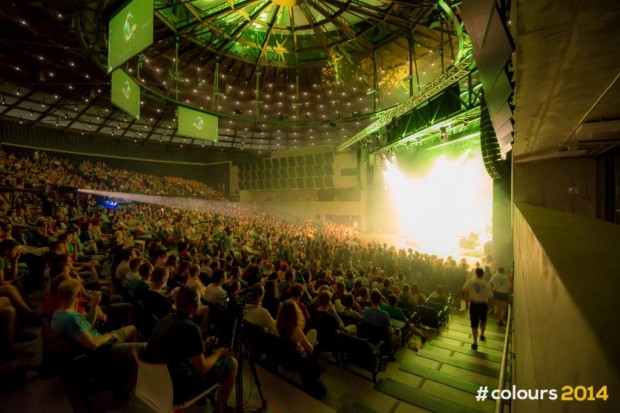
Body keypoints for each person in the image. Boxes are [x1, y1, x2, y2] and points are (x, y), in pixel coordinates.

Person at [145, 286, 237, 412]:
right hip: (177, 389)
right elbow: (201, 369)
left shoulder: (165, 319)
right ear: (195, 304)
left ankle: (202, 399)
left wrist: (203, 345)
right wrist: (219, 353)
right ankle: (220, 408)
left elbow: (178, 350)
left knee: (208, 355)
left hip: (156, 383)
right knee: (232, 363)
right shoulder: (192, 328)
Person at [462, 267, 492, 350]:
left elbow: (463, 290)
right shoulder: (487, 284)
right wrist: (490, 306)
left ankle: (475, 342)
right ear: (483, 274)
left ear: (475, 273)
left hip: (474, 304)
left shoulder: (470, 281)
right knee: (483, 320)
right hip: (483, 304)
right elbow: (490, 297)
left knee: (474, 323)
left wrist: (465, 298)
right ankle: (482, 334)